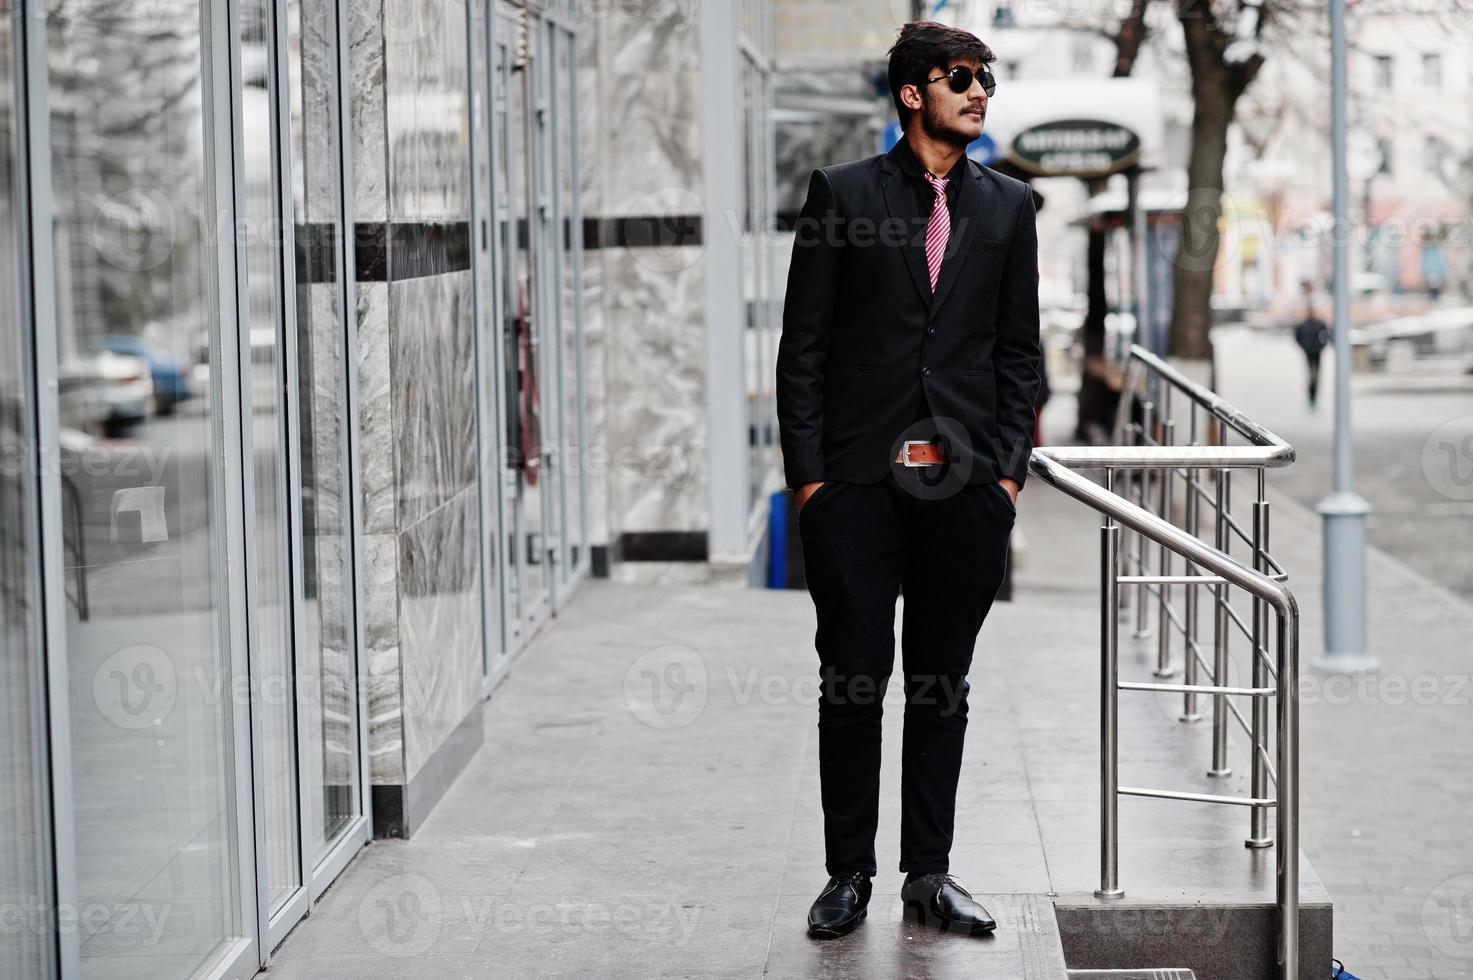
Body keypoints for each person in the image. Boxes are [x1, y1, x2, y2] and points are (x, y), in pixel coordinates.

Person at [775, 21, 1042, 940]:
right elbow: (800, 350)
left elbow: (1018, 353)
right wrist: (809, 486)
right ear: (910, 94)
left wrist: (1005, 477)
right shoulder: (843, 195)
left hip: (963, 493)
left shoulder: (1008, 206)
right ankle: (846, 872)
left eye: (986, 79)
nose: (977, 92)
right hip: (854, 488)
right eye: (959, 77)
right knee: (851, 682)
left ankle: (927, 873)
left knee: (942, 687)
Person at [1293, 304, 1331, 407]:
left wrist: (1321, 346)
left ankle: (1314, 394)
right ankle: (1311, 394)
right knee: (1311, 373)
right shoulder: (1303, 325)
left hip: (1317, 351)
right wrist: (1304, 346)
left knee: (1315, 374)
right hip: (1308, 351)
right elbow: (1297, 337)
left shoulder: (1319, 324)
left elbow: (1326, 336)